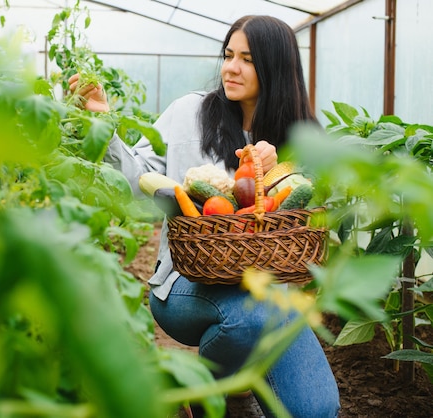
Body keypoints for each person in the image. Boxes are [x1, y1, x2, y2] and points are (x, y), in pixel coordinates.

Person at [69, 15, 340, 418]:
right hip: (185, 283)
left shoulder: (303, 136)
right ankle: (204, 389)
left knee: (315, 410)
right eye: (229, 55)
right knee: (249, 318)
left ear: (275, 67)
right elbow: (135, 179)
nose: (231, 67)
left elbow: (316, 211)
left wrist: (283, 164)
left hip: (274, 297)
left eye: (247, 59)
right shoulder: (189, 112)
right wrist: (101, 123)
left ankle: (228, 382)